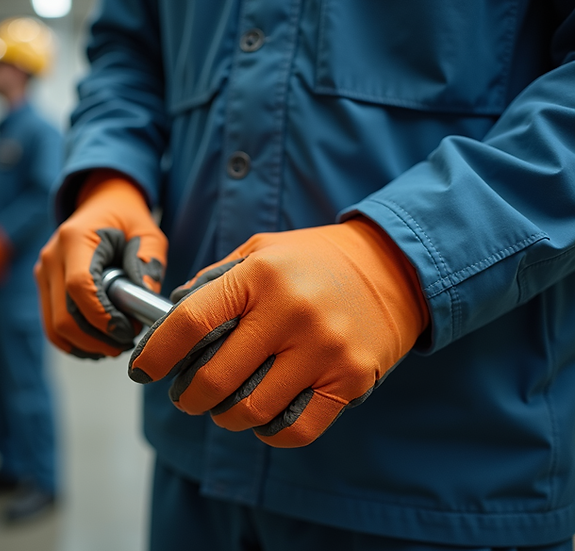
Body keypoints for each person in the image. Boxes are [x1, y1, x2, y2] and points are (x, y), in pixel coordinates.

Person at [35, 2, 575, 550]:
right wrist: (109, 176)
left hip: (447, 478)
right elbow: (129, 52)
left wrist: (400, 262)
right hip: (193, 454)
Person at [0, 17, 61, 523]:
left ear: (19, 71)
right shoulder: (4, 128)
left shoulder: (38, 131)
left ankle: (44, 480)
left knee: (25, 381)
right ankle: (9, 464)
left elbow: (44, 194)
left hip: (20, 282)